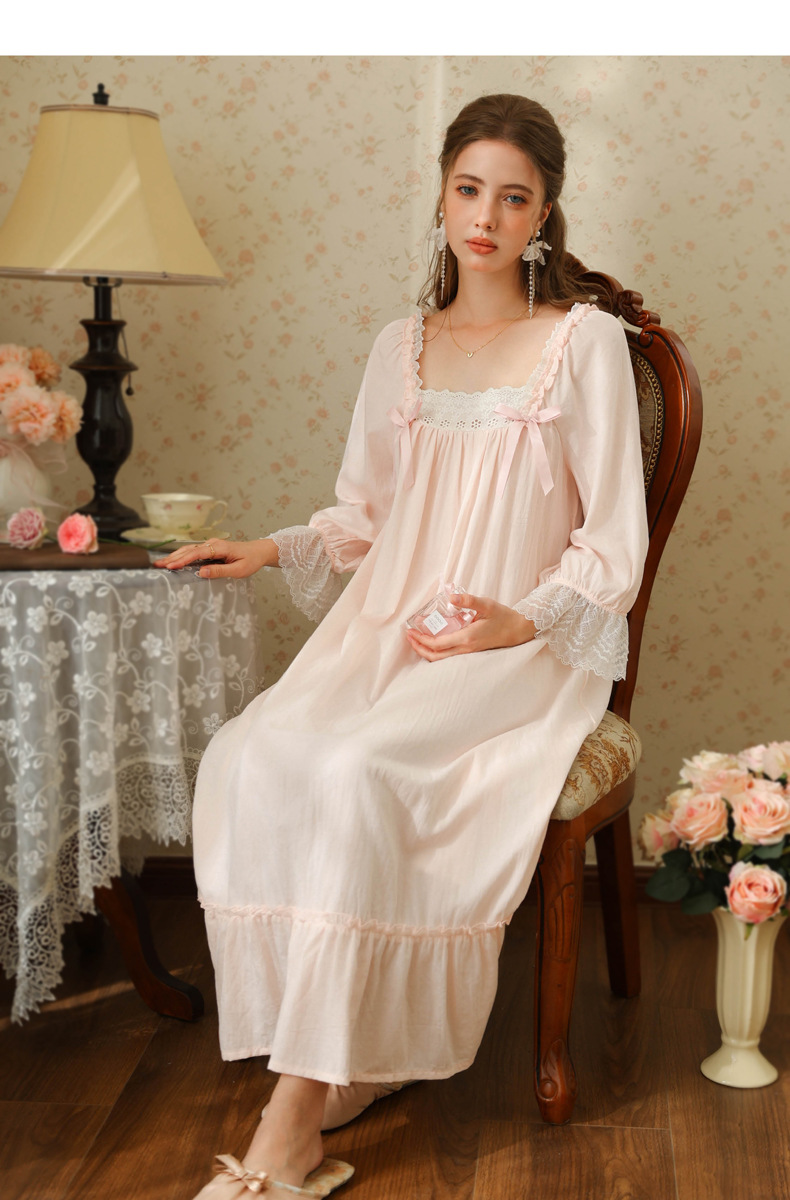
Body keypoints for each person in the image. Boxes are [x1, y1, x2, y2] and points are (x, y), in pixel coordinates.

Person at [157, 93, 649, 1199]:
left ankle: (290, 1130)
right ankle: (340, 1057)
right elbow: (364, 518)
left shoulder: (584, 344)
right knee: (253, 754)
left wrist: (517, 620)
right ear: (440, 193)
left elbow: (612, 540)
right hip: (384, 627)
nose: (486, 216)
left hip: (518, 647)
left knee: (357, 770)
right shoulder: (401, 345)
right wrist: (269, 549)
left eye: (513, 198)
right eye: (469, 189)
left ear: (544, 214)